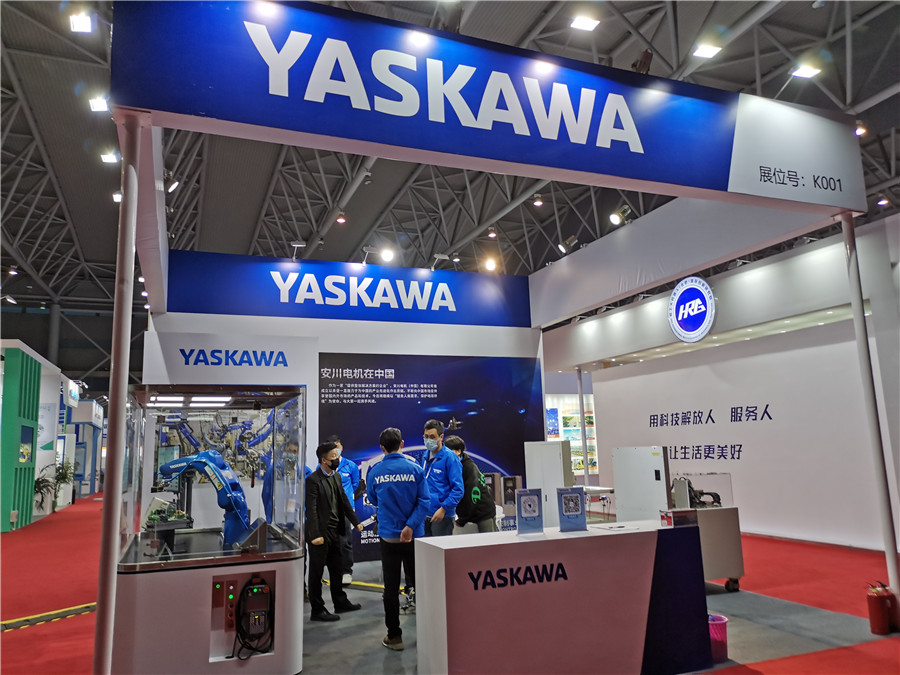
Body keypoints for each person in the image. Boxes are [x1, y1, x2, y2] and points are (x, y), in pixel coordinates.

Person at [367, 427, 430, 652]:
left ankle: (394, 636)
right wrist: (410, 526)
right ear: (402, 444)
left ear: (382, 447)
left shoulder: (375, 472)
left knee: (391, 588)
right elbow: (425, 502)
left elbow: (373, 498)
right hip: (414, 537)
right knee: (421, 585)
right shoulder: (415, 469)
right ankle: (431, 634)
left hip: (389, 537)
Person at [305, 441, 363, 622]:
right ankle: (317, 610)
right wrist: (315, 535)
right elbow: (311, 510)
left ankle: (340, 602)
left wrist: (355, 521)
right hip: (320, 534)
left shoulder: (336, 476)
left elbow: (344, 501)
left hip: (335, 531)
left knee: (337, 569)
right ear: (324, 460)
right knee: (316, 573)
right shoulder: (313, 480)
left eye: (337, 456)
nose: (337, 459)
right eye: (334, 457)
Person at [326, 434, 366, 585]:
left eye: (337, 446)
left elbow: (355, 485)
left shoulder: (351, 465)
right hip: (329, 509)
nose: (336, 449)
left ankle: (347, 571)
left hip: (345, 509)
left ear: (341, 447)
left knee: (345, 541)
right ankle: (334, 570)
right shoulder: (323, 466)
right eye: (333, 447)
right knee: (331, 542)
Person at [443, 435, 498, 533]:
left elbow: (473, 494)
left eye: (448, 451)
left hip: (482, 513)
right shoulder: (451, 466)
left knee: (489, 541)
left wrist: (463, 519)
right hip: (468, 514)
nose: (446, 455)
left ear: (458, 451)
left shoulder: (469, 467)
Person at [420, 419, 464, 537]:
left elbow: (458, 490)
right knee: (423, 548)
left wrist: (443, 509)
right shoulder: (425, 455)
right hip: (424, 513)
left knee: (439, 548)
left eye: (432, 437)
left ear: (441, 437)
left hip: (442, 516)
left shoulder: (450, 458)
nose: (428, 440)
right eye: (426, 436)